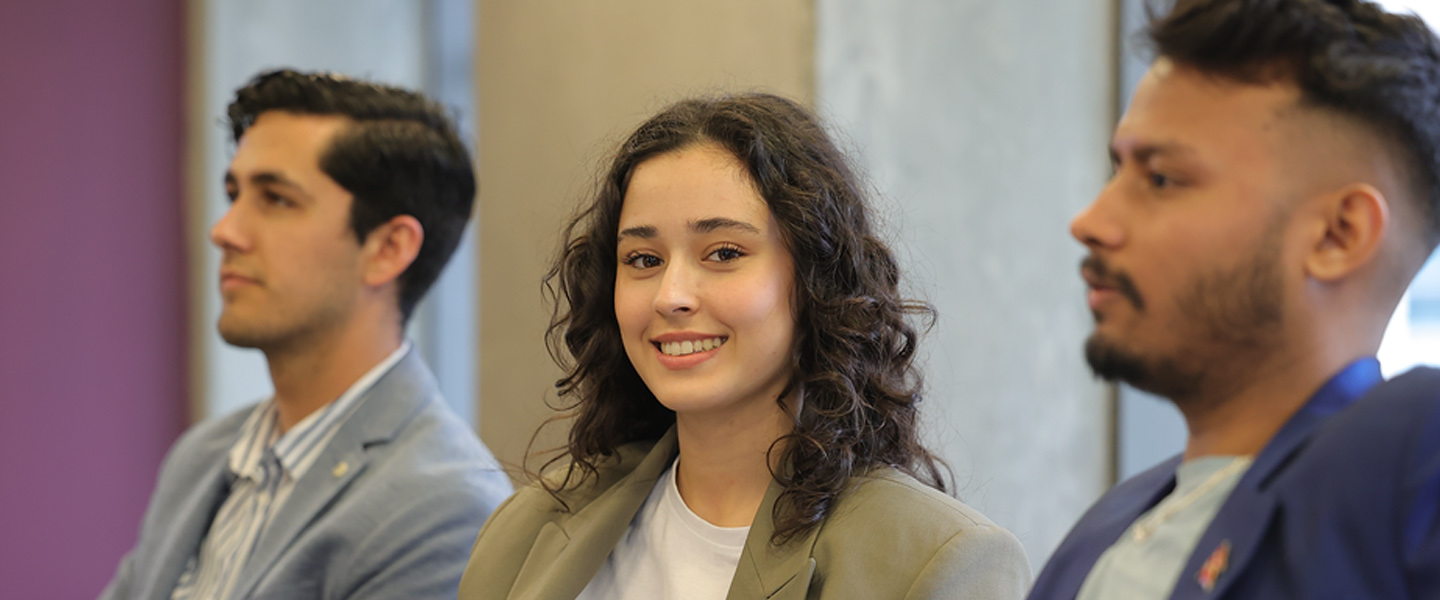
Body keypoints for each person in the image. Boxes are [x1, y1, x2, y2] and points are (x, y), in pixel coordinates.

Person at [457, 93, 1030, 600]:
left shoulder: (937, 561)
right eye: (643, 260)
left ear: (815, 281)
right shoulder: (525, 529)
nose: (670, 295)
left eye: (724, 253)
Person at [1027, 1, 1440, 598]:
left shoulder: (1409, 455)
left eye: (1162, 178)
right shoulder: (1102, 531)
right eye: (1116, 170)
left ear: (1337, 235)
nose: (1092, 221)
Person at [100, 69, 513, 600]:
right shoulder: (202, 458)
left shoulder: (443, 505)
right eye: (234, 193)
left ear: (388, 249)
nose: (224, 230)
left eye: (275, 199)